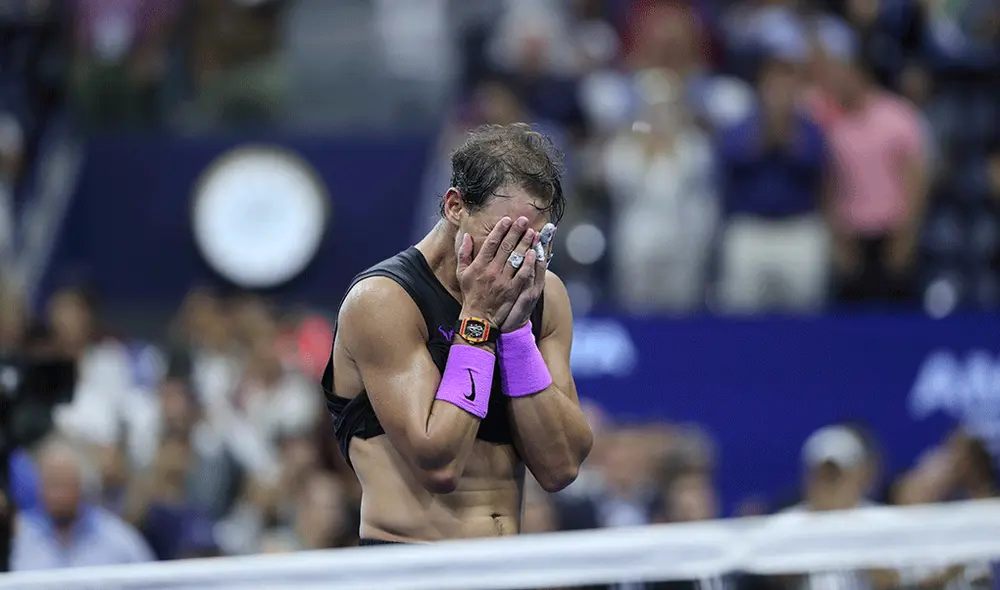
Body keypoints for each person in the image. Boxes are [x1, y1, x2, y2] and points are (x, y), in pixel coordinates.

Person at [323, 123, 593, 544]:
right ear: (455, 207)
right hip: (411, 566)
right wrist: (480, 318)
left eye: (530, 241)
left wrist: (517, 332)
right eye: (500, 236)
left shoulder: (545, 295)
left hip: (503, 571)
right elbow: (438, 463)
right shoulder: (383, 301)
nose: (515, 259)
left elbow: (561, 467)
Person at [11, 437, 154, 570]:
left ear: (81, 486)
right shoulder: (18, 538)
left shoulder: (118, 541)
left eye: (64, 484)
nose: (58, 495)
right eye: (51, 484)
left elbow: (152, 582)